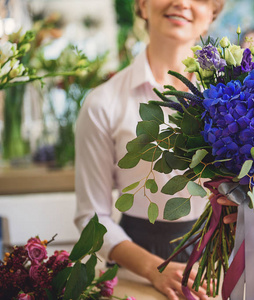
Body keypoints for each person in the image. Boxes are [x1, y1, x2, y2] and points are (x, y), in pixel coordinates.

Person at [74, 1, 229, 299]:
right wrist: (153, 269)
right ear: (142, 6)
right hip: (136, 273)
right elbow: (91, 218)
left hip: (221, 266)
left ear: (212, 14)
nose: (182, 2)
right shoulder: (101, 104)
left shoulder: (239, 102)